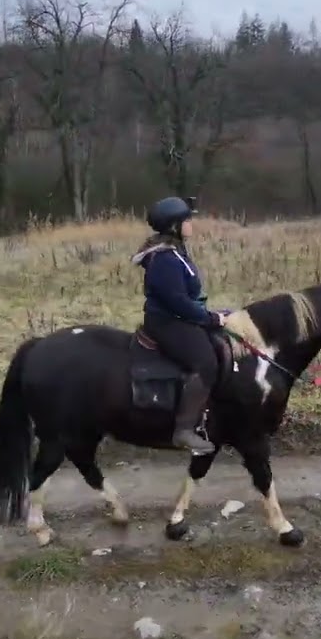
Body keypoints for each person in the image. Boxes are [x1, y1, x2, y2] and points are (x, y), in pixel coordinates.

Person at [130, 195, 224, 455]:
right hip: (167, 322)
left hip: (179, 316)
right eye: (187, 220)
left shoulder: (175, 252)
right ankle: (183, 430)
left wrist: (209, 313)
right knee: (206, 363)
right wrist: (209, 318)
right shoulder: (165, 259)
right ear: (174, 226)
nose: (191, 224)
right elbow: (177, 301)